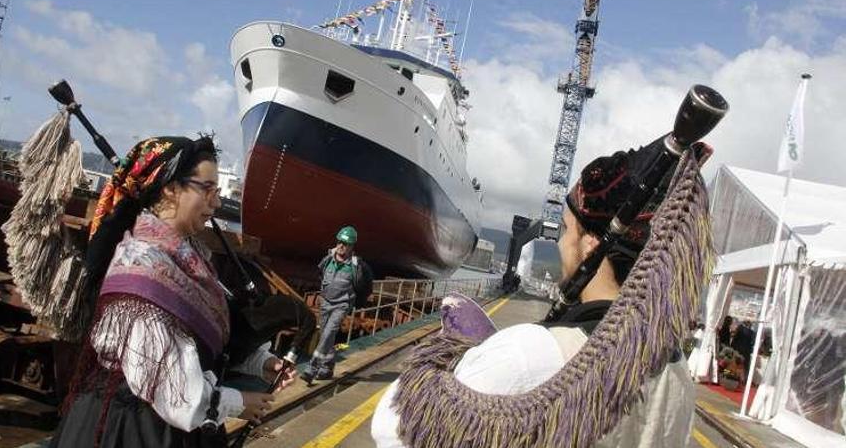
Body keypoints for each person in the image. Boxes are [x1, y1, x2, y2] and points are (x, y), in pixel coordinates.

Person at [372, 137, 714, 447]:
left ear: (591, 244)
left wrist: (457, 352)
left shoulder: (531, 352)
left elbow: (394, 430)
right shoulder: (677, 372)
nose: (562, 243)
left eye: (567, 230)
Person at [51, 136, 295, 447]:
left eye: (217, 192)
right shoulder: (141, 266)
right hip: (130, 432)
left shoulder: (187, 257)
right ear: (170, 188)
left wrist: (262, 363)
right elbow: (176, 395)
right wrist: (239, 402)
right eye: (206, 189)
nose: (217, 202)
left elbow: (201, 339)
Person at [301, 226, 373, 383]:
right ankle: (327, 368)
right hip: (326, 303)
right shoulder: (327, 260)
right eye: (339, 242)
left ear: (352, 246)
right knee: (326, 336)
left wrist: (359, 302)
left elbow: (367, 284)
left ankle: (312, 367)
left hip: (342, 305)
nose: (341, 246)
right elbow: (319, 274)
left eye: (345, 244)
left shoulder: (357, 266)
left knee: (328, 333)